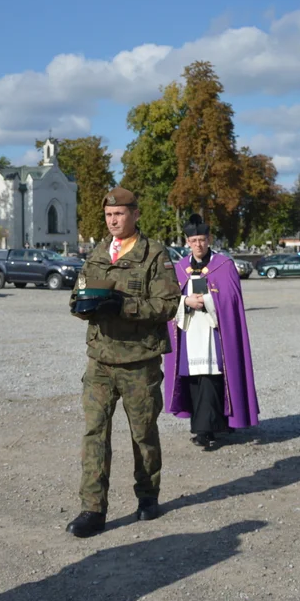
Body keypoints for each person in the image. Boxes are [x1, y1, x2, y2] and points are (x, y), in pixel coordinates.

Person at [65, 187, 181, 539]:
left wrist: (125, 307)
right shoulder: (98, 253)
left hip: (138, 361)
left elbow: (168, 305)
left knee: (142, 433)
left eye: (119, 214)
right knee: (94, 433)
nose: (113, 221)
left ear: (135, 214)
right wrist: (81, 307)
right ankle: (93, 509)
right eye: (108, 215)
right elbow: (76, 294)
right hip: (100, 360)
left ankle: (148, 495)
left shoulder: (154, 255)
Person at [163, 214, 260, 451]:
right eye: (194, 240)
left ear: (210, 239)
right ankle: (204, 426)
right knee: (194, 380)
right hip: (189, 333)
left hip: (215, 333)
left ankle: (209, 429)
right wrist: (185, 300)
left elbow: (231, 299)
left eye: (202, 240)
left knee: (214, 379)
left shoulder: (223, 265)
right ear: (187, 241)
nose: (198, 244)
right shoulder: (179, 268)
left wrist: (206, 300)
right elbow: (168, 300)